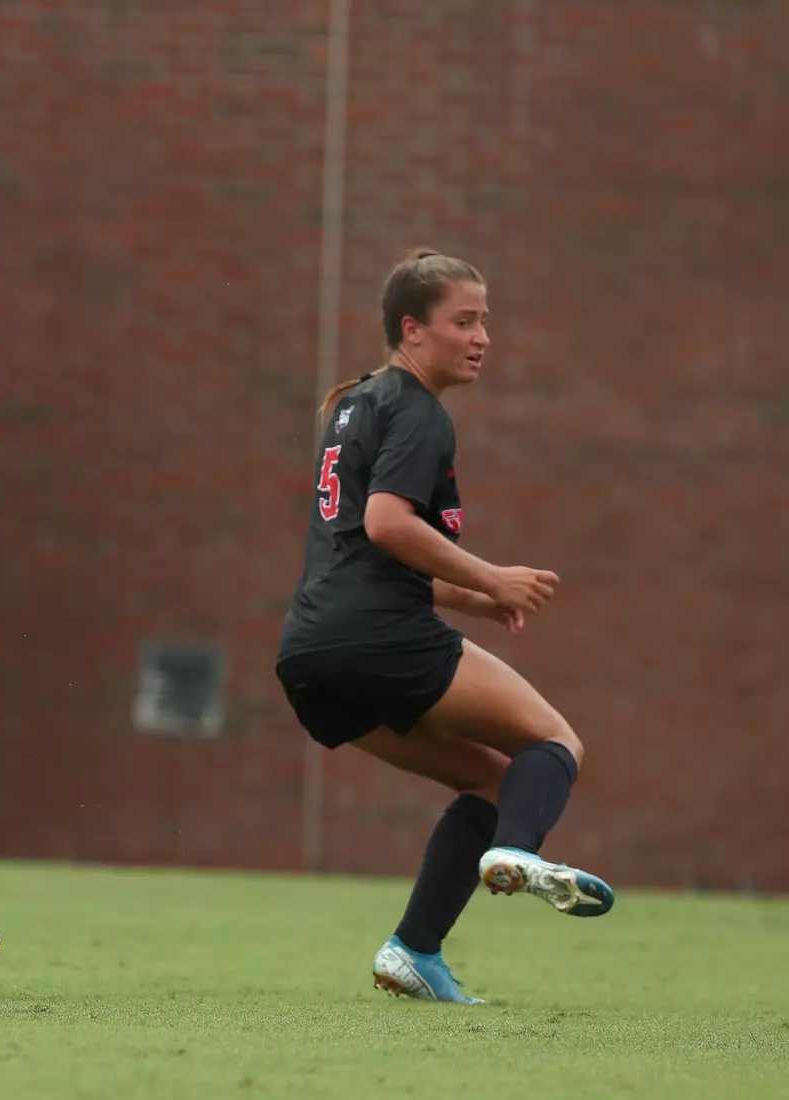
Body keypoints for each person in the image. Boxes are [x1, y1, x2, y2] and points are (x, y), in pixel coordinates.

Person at [275, 248, 614, 1004]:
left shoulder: (357, 403)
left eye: (485, 320)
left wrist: (470, 598)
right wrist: (491, 575)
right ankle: (519, 856)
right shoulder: (420, 411)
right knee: (554, 743)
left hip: (309, 653)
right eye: (464, 321)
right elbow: (388, 524)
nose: (481, 336)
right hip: (379, 639)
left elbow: (362, 553)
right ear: (412, 329)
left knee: (491, 785)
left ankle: (414, 953)